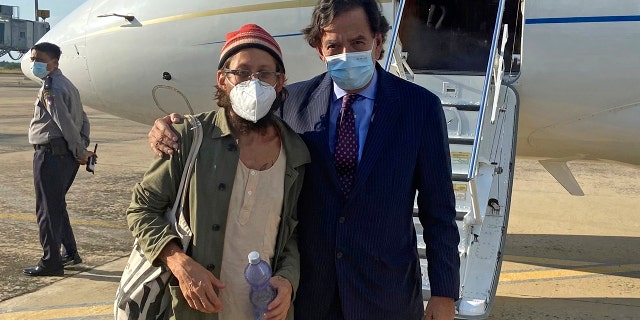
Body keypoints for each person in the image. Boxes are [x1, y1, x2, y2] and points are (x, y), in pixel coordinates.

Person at [149, 0, 460, 318]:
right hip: (309, 293)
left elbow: (440, 212)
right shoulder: (291, 103)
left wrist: (444, 294)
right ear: (319, 51)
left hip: (385, 291)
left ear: (378, 43)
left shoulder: (419, 108)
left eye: (357, 43)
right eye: (333, 45)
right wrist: (170, 128)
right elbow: (235, 120)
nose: (345, 54)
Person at [127, 24, 309, 320]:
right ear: (223, 79)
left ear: (280, 82)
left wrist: (288, 280)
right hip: (198, 310)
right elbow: (141, 209)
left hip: (263, 311)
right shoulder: (189, 137)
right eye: (242, 72)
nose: (254, 82)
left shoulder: (296, 154)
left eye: (265, 73)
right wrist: (178, 262)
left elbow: (292, 233)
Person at [24, 42, 94, 277]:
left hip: (51, 154)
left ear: (53, 62)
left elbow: (63, 121)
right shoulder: (69, 85)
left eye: (38, 60)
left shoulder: (51, 87)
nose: (35, 64)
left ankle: (51, 262)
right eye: (33, 59)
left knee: (46, 210)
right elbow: (83, 119)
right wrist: (81, 147)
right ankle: (70, 252)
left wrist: (79, 151)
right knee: (56, 205)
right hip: (65, 156)